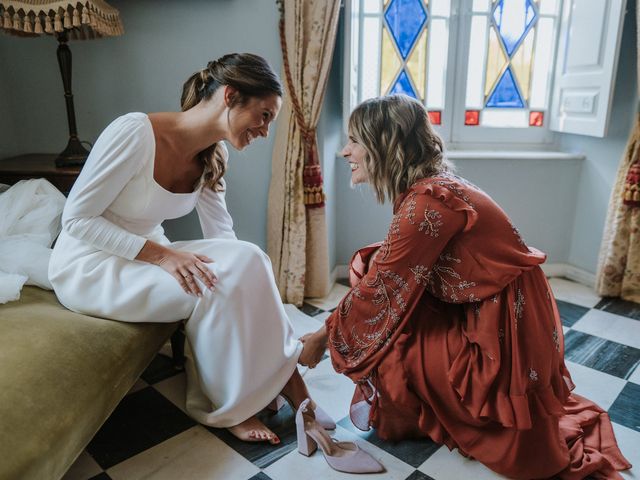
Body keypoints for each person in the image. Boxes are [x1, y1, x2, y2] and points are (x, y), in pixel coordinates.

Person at [299, 94, 631, 479]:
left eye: (355, 140)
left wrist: (321, 338)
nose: (344, 151)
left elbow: (379, 293)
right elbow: (386, 276)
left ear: (384, 144)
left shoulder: (428, 204)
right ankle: (431, 404)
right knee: (374, 272)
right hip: (490, 309)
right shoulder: (430, 189)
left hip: (502, 331)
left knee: (389, 328)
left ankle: (446, 411)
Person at [49, 53, 328, 444]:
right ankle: (231, 407)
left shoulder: (214, 154)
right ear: (230, 96)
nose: (265, 130)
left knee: (249, 259)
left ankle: (283, 379)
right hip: (91, 265)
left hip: (147, 254)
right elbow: (75, 220)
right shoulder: (134, 133)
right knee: (210, 285)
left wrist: (245, 279)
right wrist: (164, 256)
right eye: (264, 115)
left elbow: (224, 236)